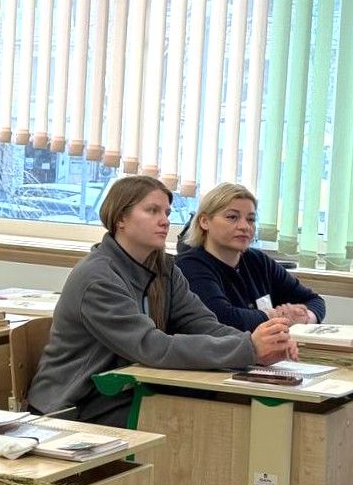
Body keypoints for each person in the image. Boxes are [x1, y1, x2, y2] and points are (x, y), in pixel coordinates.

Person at [28, 175, 296, 428]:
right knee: (203, 423)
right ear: (120, 219)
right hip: (75, 406)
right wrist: (248, 348)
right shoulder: (98, 278)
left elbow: (203, 324)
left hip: (126, 391)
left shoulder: (165, 269)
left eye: (167, 213)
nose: (165, 221)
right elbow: (151, 346)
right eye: (152, 211)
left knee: (226, 412)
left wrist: (263, 344)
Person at [176, 183, 325, 332]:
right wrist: (277, 317)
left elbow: (314, 300)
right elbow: (222, 318)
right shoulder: (189, 265)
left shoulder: (258, 260)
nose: (244, 226)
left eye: (251, 219)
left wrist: (305, 318)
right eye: (232, 217)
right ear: (204, 221)